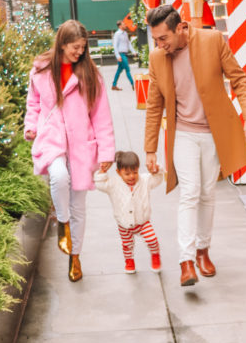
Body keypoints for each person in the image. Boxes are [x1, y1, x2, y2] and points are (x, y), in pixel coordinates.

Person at [144, 4, 246, 287]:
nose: (160, 45)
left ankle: (203, 251)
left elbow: (239, 79)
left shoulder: (212, 41)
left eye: (163, 39)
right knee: (190, 192)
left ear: (181, 28)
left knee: (208, 193)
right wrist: (150, 148)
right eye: (155, 40)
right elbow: (154, 105)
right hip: (182, 133)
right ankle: (185, 261)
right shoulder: (158, 58)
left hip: (212, 133)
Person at [24, 19, 115, 282]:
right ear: (62, 44)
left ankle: (75, 256)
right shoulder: (41, 71)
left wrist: (106, 152)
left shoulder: (90, 75)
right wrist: (31, 126)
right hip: (51, 138)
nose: (80, 52)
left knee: (79, 206)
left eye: (83, 48)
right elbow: (34, 104)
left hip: (80, 143)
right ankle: (61, 223)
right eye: (76, 47)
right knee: (59, 176)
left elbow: (101, 116)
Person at [94, 150, 163, 274]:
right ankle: (129, 261)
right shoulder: (113, 184)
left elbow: (157, 180)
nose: (132, 176)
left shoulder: (145, 180)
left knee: (152, 239)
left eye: (135, 172)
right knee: (127, 244)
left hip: (142, 221)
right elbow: (100, 184)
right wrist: (102, 172)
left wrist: (156, 170)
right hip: (124, 223)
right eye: (127, 173)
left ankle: (155, 255)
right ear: (118, 172)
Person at [111, 19, 135, 91]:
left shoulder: (125, 33)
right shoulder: (117, 34)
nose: (125, 25)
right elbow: (115, 46)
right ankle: (133, 84)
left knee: (119, 70)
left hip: (125, 54)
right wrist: (118, 56)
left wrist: (133, 51)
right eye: (123, 24)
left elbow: (129, 43)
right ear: (120, 26)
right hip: (121, 55)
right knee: (127, 69)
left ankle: (114, 85)